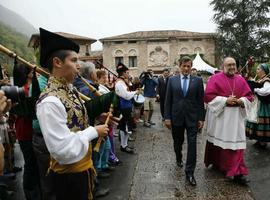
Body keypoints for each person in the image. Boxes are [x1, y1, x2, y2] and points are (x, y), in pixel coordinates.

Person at [36, 28, 109, 200]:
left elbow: (76, 120)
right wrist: (94, 132)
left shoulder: (70, 89)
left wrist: (99, 117)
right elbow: (62, 150)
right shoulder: (49, 102)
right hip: (68, 178)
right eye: (74, 60)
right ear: (57, 62)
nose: (79, 66)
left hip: (81, 170)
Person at [203, 57, 253, 185]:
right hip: (221, 117)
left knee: (236, 145)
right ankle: (218, 163)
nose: (232, 67)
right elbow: (208, 96)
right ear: (223, 66)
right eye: (229, 65)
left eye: (234, 65)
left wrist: (242, 101)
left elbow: (249, 96)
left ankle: (238, 173)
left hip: (236, 117)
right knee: (218, 142)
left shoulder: (240, 79)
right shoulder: (215, 78)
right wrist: (225, 100)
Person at [164, 56, 205, 186]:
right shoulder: (172, 80)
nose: (186, 69)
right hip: (176, 117)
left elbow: (200, 101)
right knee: (178, 142)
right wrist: (167, 117)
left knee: (192, 144)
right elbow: (168, 100)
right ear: (180, 66)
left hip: (192, 118)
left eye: (188, 66)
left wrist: (201, 118)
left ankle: (190, 173)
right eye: (184, 66)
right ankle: (178, 157)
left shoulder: (198, 80)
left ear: (191, 66)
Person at [246, 63, 270, 148]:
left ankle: (263, 142)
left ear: (263, 71)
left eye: (259, 69)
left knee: (260, 121)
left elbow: (267, 91)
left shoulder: (266, 80)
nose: (257, 71)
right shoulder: (260, 80)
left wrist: (255, 89)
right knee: (256, 120)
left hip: (263, 105)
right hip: (257, 103)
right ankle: (259, 140)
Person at [115, 62, 137, 153]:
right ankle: (123, 146)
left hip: (127, 107)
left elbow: (129, 90)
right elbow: (126, 96)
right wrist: (135, 93)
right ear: (123, 73)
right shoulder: (119, 83)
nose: (128, 74)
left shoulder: (124, 82)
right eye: (127, 73)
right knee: (124, 128)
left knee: (128, 127)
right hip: (123, 108)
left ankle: (125, 144)